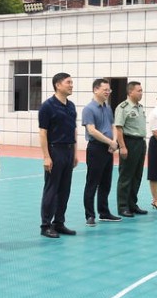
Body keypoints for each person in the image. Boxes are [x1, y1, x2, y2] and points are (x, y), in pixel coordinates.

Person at [38, 72, 78, 239]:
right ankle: (45, 225)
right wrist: (46, 156)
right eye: (68, 82)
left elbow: (73, 130)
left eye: (71, 82)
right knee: (52, 189)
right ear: (58, 85)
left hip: (68, 151)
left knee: (65, 189)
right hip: (55, 150)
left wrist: (75, 153)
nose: (71, 85)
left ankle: (59, 223)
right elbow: (42, 133)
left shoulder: (71, 106)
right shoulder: (47, 106)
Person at [82, 78, 122, 227]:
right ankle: (90, 215)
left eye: (109, 90)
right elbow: (91, 130)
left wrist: (114, 142)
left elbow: (113, 126)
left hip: (109, 148)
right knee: (92, 183)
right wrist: (109, 142)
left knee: (106, 182)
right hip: (96, 148)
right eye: (105, 90)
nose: (107, 92)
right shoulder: (89, 109)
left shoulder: (107, 107)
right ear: (95, 90)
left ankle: (104, 212)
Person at [115, 81, 148, 217]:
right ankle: (123, 206)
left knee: (137, 175)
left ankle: (132, 204)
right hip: (129, 142)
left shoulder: (139, 107)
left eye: (141, 90)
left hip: (140, 143)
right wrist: (122, 146)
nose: (141, 93)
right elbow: (119, 127)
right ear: (130, 92)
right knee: (126, 176)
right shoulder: (123, 107)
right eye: (139, 90)